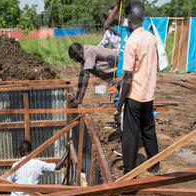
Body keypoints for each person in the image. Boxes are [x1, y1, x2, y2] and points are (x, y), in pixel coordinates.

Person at [116, 10, 159, 173]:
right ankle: (155, 165)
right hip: (148, 94)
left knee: (131, 133)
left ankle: (129, 171)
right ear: (141, 19)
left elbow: (128, 77)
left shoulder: (132, 41)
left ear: (128, 20)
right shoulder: (151, 38)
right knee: (148, 129)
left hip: (134, 95)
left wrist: (119, 105)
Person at [67, 43, 118, 108]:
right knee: (118, 97)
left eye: (74, 58)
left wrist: (79, 100)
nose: (74, 60)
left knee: (119, 98)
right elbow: (81, 77)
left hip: (120, 68)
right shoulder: (83, 56)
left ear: (77, 55)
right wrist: (76, 97)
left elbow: (86, 77)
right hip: (113, 75)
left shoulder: (88, 52)